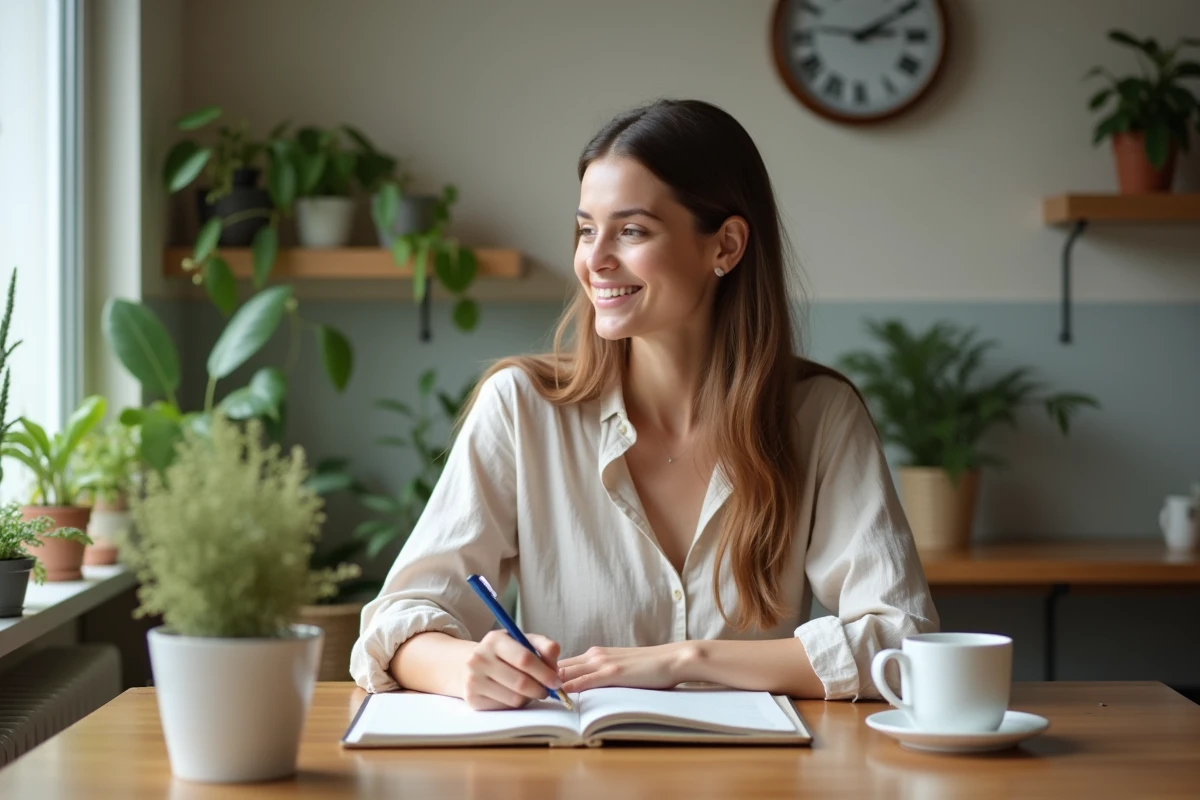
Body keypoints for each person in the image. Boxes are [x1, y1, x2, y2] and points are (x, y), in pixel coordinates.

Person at [350, 99, 938, 709]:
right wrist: (465, 667)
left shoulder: (820, 417)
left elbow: (903, 640)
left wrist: (685, 661)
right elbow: (396, 623)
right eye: (586, 230)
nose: (595, 259)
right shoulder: (521, 408)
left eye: (631, 231)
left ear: (726, 245)